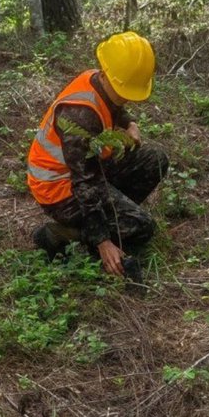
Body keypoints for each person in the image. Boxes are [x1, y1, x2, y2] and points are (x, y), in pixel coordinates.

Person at [27, 32, 169, 281]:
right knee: (142, 226)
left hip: (91, 171)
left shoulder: (99, 80)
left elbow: (114, 107)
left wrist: (130, 123)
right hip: (60, 190)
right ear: (106, 75)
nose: (126, 96)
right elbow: (85, 183)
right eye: (123, 90)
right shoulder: (78, 115)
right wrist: (102, 241)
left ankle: (112, 219)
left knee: (154, 160)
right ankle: (65, 233)